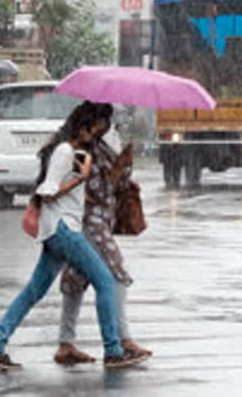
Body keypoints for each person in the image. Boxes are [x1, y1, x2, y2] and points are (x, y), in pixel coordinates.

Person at [0, 105, 148, 370]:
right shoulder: (65, 151)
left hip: (56, 230)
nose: (96, 136)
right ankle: (113, 350)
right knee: (105, 281)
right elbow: (47, 191)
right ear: (82, 129)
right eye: (95, 130)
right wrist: (78, 180)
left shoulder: (75, 152)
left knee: (33, 292)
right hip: (64, 229)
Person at [54, 103, 151, 365]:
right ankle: (122, 339)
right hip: (89, 222)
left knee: (76, 280)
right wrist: (118, 171)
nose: (107, 125)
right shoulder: (81, 150)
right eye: (103, 120)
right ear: (92, 122)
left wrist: (124, 168)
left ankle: (66, 343)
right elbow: (90, 186)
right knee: (117, 274)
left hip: (99, 221)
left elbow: (114, 183)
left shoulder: (99, 147)